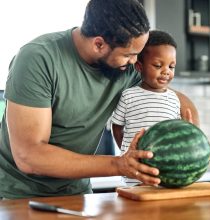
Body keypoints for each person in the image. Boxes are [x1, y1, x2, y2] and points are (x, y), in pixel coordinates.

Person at [0, 0, 198, 199]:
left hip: (77, 194)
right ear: (99, 44)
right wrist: (119, 164)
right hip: (17, 195)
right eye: (129, 55)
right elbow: (30, 157)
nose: (134, 62)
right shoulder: (38, 59)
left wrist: (195, 141)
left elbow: (178, 99)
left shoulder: (126, 68)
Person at [111, 30, 181, 154]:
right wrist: (125, 151)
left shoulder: (174, 99)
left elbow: (176, 132)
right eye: (158, 65)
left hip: (163, 167)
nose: (166, 71)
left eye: (171, 66)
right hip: (133, 166)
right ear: (139, 67)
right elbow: (116, 126)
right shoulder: (129, 96)